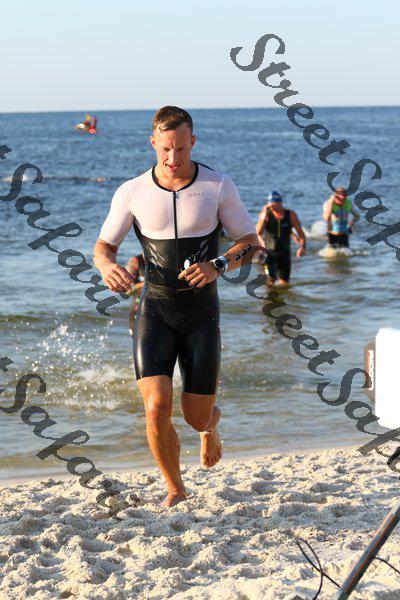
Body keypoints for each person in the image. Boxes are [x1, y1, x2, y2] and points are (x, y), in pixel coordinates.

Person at [93, 106, 257, 507]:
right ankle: (175, 488)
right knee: (156, 407)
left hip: (201, 314)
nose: (173, 157)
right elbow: (104, 247)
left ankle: (210, 426)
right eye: (165, 148)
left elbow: (251, 244)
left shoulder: (217, 186)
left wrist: (218, 265)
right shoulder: (132, 192)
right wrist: (107, 267)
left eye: (181, 148)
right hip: (155, 309)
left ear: (193, 142)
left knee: (195, 416)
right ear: (153, 142)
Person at [256, 191, 306, 285]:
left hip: (285, 253)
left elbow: (301, 233)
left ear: (280, 202)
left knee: (285, 283)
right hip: (269, 253)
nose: (273, 206)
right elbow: (258, 232)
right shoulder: (265, 215)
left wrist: (302, 247)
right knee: (270, 282)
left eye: (275, 203)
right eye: (271, 204)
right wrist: (264, 215)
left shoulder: (290, 215)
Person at [125, 253, 146, 336]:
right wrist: (149, 284)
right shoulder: (136, 261)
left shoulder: (166, 261)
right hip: (138, 313)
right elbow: (127, 289)